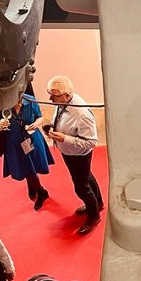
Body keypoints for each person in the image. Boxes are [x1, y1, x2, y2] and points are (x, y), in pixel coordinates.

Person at [46, 75, 104, 235]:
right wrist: (53, 127)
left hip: (78, 155)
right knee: (87, 177)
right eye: (50, 94)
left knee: (81, 187)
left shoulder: (82, 114)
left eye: (54, 95)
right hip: (69, 152)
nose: (50, 99)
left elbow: (91, 142)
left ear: (66, 95)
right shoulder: (64, 102)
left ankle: (94, 216)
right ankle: (98, 204)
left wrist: (65, 138)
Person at [0, 94, 54, 210]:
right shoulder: (3, 104)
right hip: (14, 144)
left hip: (32, 139)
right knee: (24, 167)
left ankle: (39, 190)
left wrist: (36, 124)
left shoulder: (30, 100)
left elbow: (40, 117)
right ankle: (37, 188)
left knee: (31, 167)